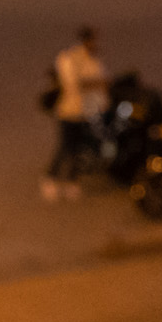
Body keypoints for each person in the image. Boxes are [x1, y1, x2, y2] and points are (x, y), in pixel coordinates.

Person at [41, 25, 107, 202]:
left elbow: (99, 86)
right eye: (93, 40)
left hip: (87, 113)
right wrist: (99, 84)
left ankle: (72, 181)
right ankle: (51, 178)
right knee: (65, 147)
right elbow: (73, 84)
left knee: (78, 149)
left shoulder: (94, 60)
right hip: (69, 112)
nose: (96, 43)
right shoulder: (69, 58)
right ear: (86, 40)